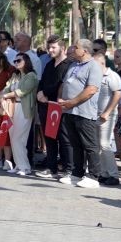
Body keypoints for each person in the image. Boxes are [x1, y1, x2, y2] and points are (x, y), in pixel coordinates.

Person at [57, 38, 105, 188]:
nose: (72, 49)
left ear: (84, 50)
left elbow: (91, 90)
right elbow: (66, 83)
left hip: (84, 111)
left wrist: (73, 101)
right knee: (75, 143)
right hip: (69, 110)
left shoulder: (93, 66)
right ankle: (77, 173)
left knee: (90, 145)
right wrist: (62, 98)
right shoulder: (73, 65)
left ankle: (93, 176)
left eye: (76, 47)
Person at [33, 35, 73, 180]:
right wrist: (39, 93)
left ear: (62, 48)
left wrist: (45, 93)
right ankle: (52, 168)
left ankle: (69, 170)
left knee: (65, 138)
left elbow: (62, 84)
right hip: (45, 105)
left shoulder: (69, 64)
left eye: (53, 47)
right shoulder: (50, 64)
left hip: (60, 106)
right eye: (49, 47)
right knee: (49, 137)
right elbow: (43, 81)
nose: (50, 50)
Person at [3, 52, 39, 175]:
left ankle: (25, 167)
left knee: (19, 138)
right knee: (13, 138)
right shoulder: (15, 75)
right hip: (12, 107)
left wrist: (6, 95)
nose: (16, 63)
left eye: (19, 60)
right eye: (15, 61)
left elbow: (22, 91)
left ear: (26, 61)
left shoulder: (32, 76)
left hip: (24, 108)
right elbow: (7, 88)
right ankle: (19, 165)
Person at [94, 51, 121, 185]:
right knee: (99, 145)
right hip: (96, 114)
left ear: (101, 63)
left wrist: (107, 112)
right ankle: (104, 173)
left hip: (107, 115)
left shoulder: (112, 76)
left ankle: (113, 174)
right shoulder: (96, 76)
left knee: (105, 144)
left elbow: (117, 95)